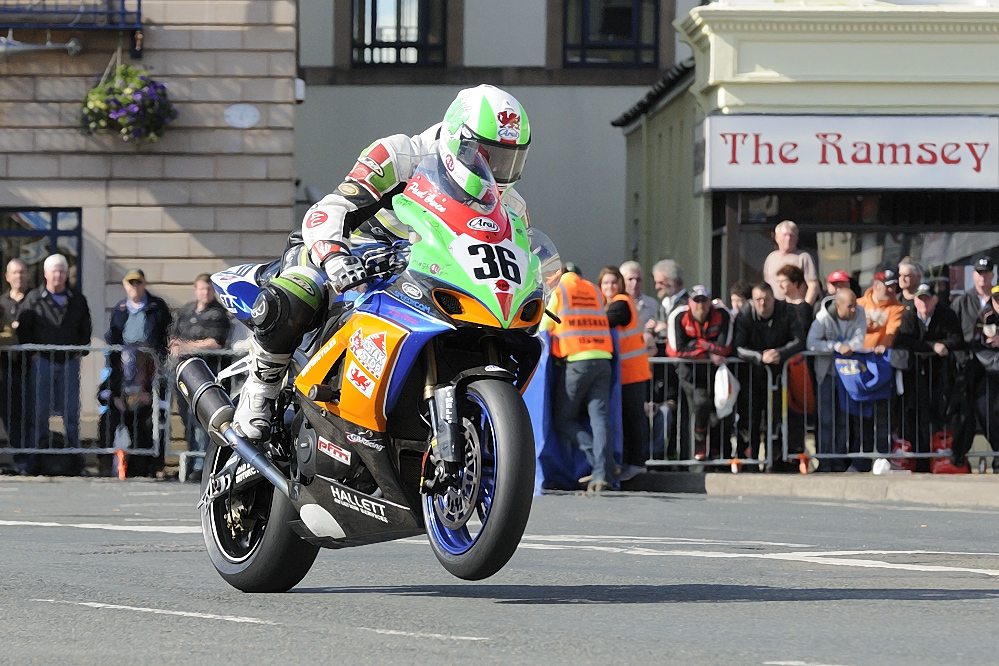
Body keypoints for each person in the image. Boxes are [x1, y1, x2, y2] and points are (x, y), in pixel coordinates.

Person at [232, 84, 532, 442]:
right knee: (300, 288)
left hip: (422, 282)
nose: (497, 169)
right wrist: (334, 254)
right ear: (458, 139)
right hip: (353, 254)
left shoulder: (510, 206)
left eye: (509, 159)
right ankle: (260, 390)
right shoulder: (401, 154)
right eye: (488, 155)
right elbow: (331, 209)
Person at [16, 254, 92, 475]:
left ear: (66, 274)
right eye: (54, 271)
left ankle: (76, 463)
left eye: (61, 271)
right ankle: (34, 462)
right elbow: (24, 329)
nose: (58, 275)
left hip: (69, 363)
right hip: (43, 363)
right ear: (46, 274)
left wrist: (81, 349)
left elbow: (85, 327)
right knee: (38, 415)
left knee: (71, 415)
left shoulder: (77, 299)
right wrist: (33, 354)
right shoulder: (33, 298)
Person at [543, 266, 614, 494]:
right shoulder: (594, 290)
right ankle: (603, 472)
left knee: (563, 419)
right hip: (603, 359)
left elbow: (545, 325)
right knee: (600, 418)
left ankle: (601, 463)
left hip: (576, 360)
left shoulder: (560, 291)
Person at [101, 268, 173, 477]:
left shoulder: (156, 307)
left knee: (154, 418)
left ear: (144, 284)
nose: (134, 287)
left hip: (151, 369)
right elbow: (112, 337)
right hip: (125, 372)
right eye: (130, 283)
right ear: (125, 286)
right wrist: (114, 395)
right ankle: (106, 462)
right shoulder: (120, 309)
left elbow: (166, 334)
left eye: (138, 282)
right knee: (109, 418)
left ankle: (155, 464)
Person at [893, 282, 969, 469]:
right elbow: (902, 339)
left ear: (935, 300)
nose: (924, 304)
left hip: (941, 375)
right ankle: (920, 461)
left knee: (941, 413)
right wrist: (932, 347)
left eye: (928, 299)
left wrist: (939, 347)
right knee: (916, 414)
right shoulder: (909, 315)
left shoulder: (946, 314)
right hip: (915, 376)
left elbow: (956, 339)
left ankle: (941, 459)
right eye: (920, 299)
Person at [734, 282, 805, 470]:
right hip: (752, 374)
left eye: (766, 299)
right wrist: (759, 357)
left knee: (778, 419)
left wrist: (779, 353)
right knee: (750, 419)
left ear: (773, 299)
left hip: (780, 374)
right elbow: (738, 346)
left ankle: (776, 462)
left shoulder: (787, 310)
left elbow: (799, 340)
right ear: (752, 300)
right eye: (758, 299)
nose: (763, 304)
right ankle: (751, 461)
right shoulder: (745, 313)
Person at [169, 273, 233, 481]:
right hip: (184, 374)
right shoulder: (186, 311)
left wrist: (186, 346)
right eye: (202, 289)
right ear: (196, 290)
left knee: (202, 423)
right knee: (186, 420)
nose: (205, 293)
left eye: (209, 289)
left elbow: (215, 343)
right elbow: (174, 336)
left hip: (207, 375)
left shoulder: (218, 314)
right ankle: (192, 462)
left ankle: (202, 466)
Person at [666, 285, 733, 462]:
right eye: (696, 300)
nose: (700, 305)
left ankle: (717, 454)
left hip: (716, 370)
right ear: (689, 302)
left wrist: (698, 344)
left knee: (720, 409)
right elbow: (676, 350)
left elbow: (724, 347)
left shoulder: (722, 314)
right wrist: (708, 350)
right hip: (689, 371)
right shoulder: (678, 315)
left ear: (710, 301)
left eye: (704, 300)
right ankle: (699, 440)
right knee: (701, 401)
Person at [597, 266, 652, 482]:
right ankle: (632, 462)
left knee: (633, 419)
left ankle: (637, 463)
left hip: (633, 372)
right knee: (629, 419)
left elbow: (606, 321)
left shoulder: (621, 302)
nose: (610, 287)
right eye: (605, 283)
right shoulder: (614, 303)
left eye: (613, 282)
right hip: (628, 373)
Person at [806, 290, 866, 472]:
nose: (854, 309)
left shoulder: (860, 313)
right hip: (826, 374)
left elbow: (859, 339)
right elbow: (811, 342)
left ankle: (839, 461)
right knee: (826, 419)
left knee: (844, 419)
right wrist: (837, 346)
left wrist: (849, 346)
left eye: (855, 304)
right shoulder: (823, 317)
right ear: (838, 306)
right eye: (850, 306)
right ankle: (825, 461)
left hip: (849, 374)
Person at [0, 258, 31, 463]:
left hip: (29, 367)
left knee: (27, 415)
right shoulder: (2, 302)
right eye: (15, 273)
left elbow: (13, 336)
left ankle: (28, 459)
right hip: (4, 369)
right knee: (9, 416)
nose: (19, 276)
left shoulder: (34, 299)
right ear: (7, 277)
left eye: (22, 272)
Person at [971, 285, 999, 471]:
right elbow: (980, 345)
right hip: (989, 375)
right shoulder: (986, 316)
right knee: (986, 412)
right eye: (996, 298)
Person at [762, 220, 820, 304]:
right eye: (785, 235)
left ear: (797, 238)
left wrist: (805, 307)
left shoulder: (803, 257)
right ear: (776, 238)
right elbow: (766, 285)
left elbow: (813, 286)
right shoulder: (771, 258)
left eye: (792, 235)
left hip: (795, 307)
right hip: (774, 307)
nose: (788, 238)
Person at [858, 270, 904, 353]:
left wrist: (884, 345)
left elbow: (892, 331)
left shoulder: (898, 308)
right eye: (888, 286)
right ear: (876, 286)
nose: (891, 290)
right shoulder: (857, 305)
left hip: (879, 356)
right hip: (856, 355)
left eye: (893, 286)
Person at [954, 256, 994, 344]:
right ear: (973, 275)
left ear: (992, 275)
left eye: (986, 272)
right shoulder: (962, 302)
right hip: (970, 353)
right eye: (980, 272)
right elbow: (952, 331)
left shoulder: (997, 298)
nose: (983, 276)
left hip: (995, 353)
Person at [619, 260, 659, 329]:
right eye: (630, 279)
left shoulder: (652, 304)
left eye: (638, 280)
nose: (634, 283)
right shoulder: (615, 303)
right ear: (621, 280)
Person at [775, 264, 814, 333]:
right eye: (778, 281)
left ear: (795, 283)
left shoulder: (803, 308)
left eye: (783, 281)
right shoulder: (779, 306)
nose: (779, 285)